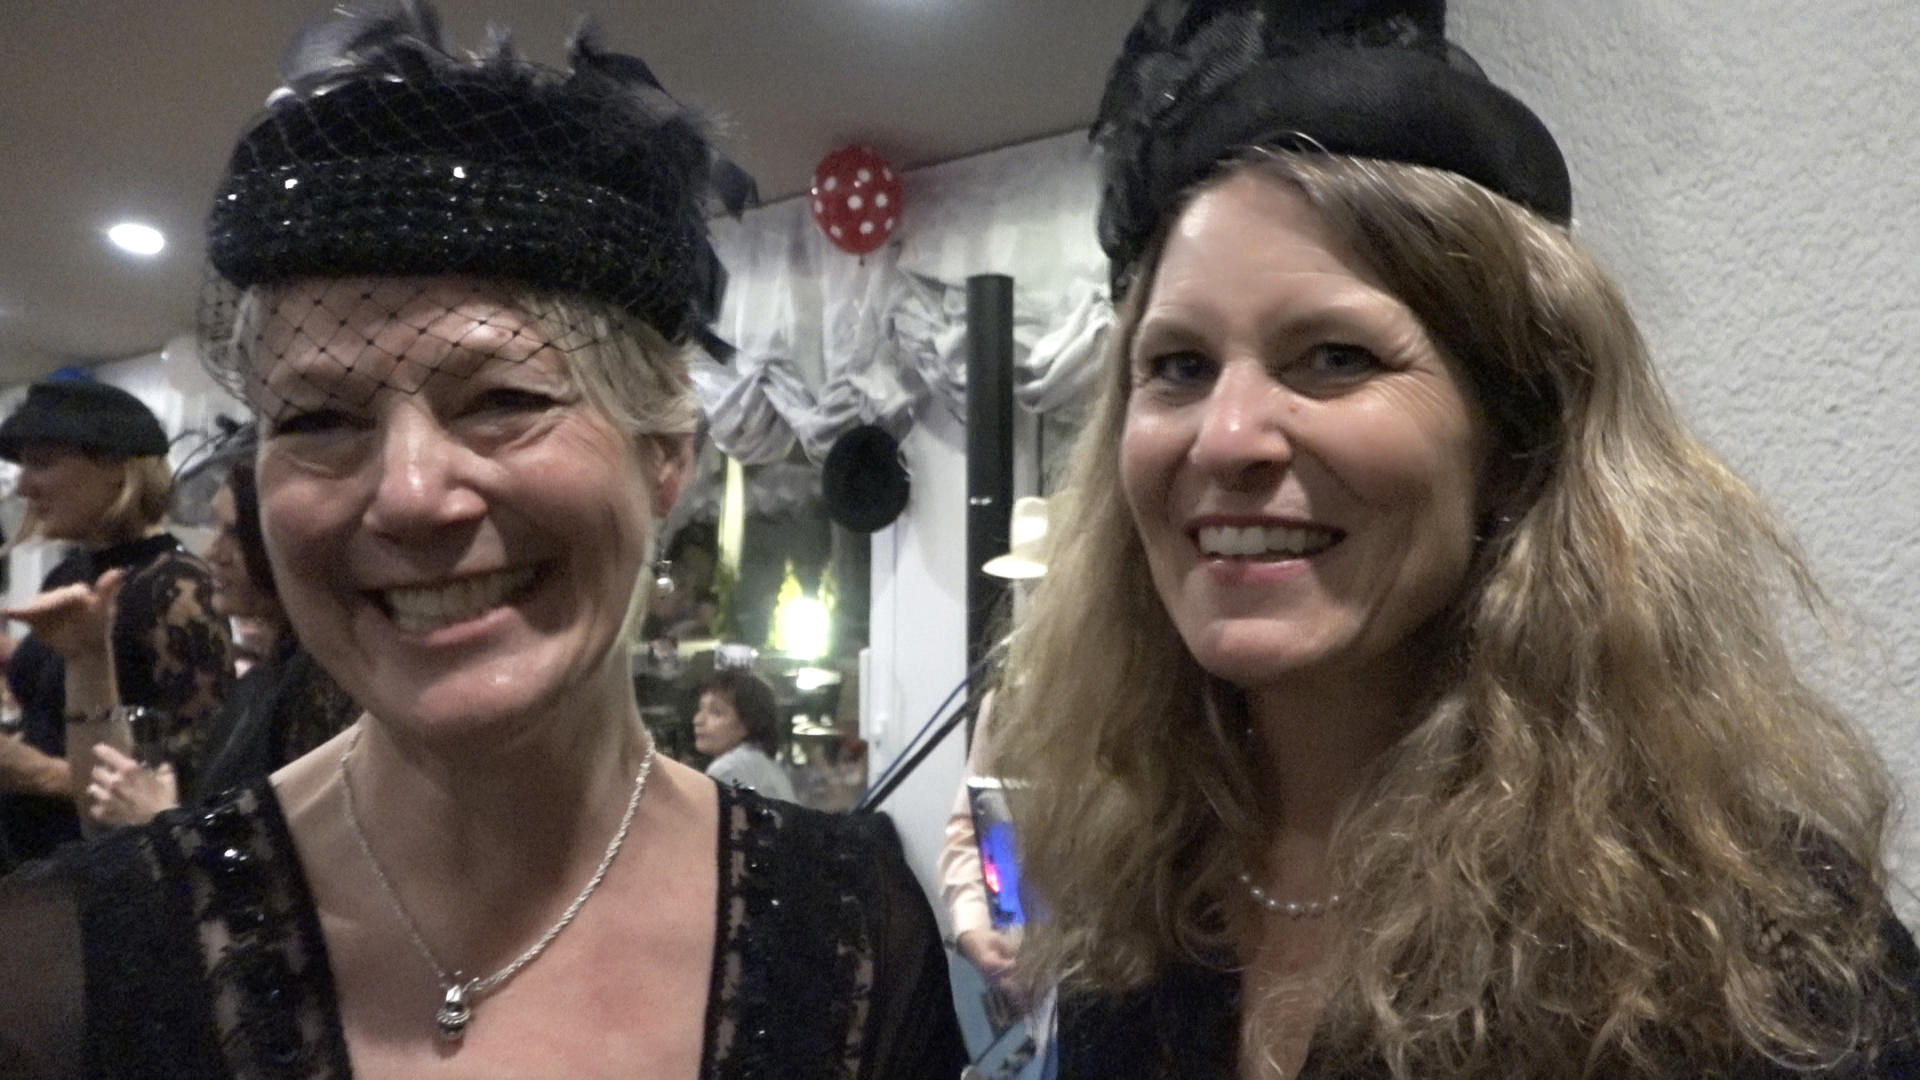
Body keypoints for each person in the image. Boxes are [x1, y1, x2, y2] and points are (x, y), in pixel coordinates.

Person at [0, 7, 963, 1078]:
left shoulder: (850, 937)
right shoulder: (70, 973)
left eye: (503, 398)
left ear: (666, 455)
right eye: (320, 421)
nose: (411, 497)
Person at [988, 2, 1920, 1078]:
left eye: (1333, 356)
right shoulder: (1136, 887)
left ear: (1520, 429)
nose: (1228, 435)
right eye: (1180, 367)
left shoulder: (1754, 953)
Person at [0, 378, 232, 871]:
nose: (22, 485)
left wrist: (36, 773)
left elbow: (196, 785)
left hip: (109, 875)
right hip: (38, 861)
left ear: (115, 466)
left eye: (41, 462)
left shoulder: (175, 588)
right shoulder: (73, 571)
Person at [84, 453, 361, 825]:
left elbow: (313, 851)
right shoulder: (270, 675)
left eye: (235, 533)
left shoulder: (327, 680)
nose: (212, 552)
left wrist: (161, 821)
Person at [694, 667, 797, 801]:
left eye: (716, 712)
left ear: (747, 723)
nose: (698, 720)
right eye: (701, 708)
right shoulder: (768, 766)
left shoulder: (727, 770)